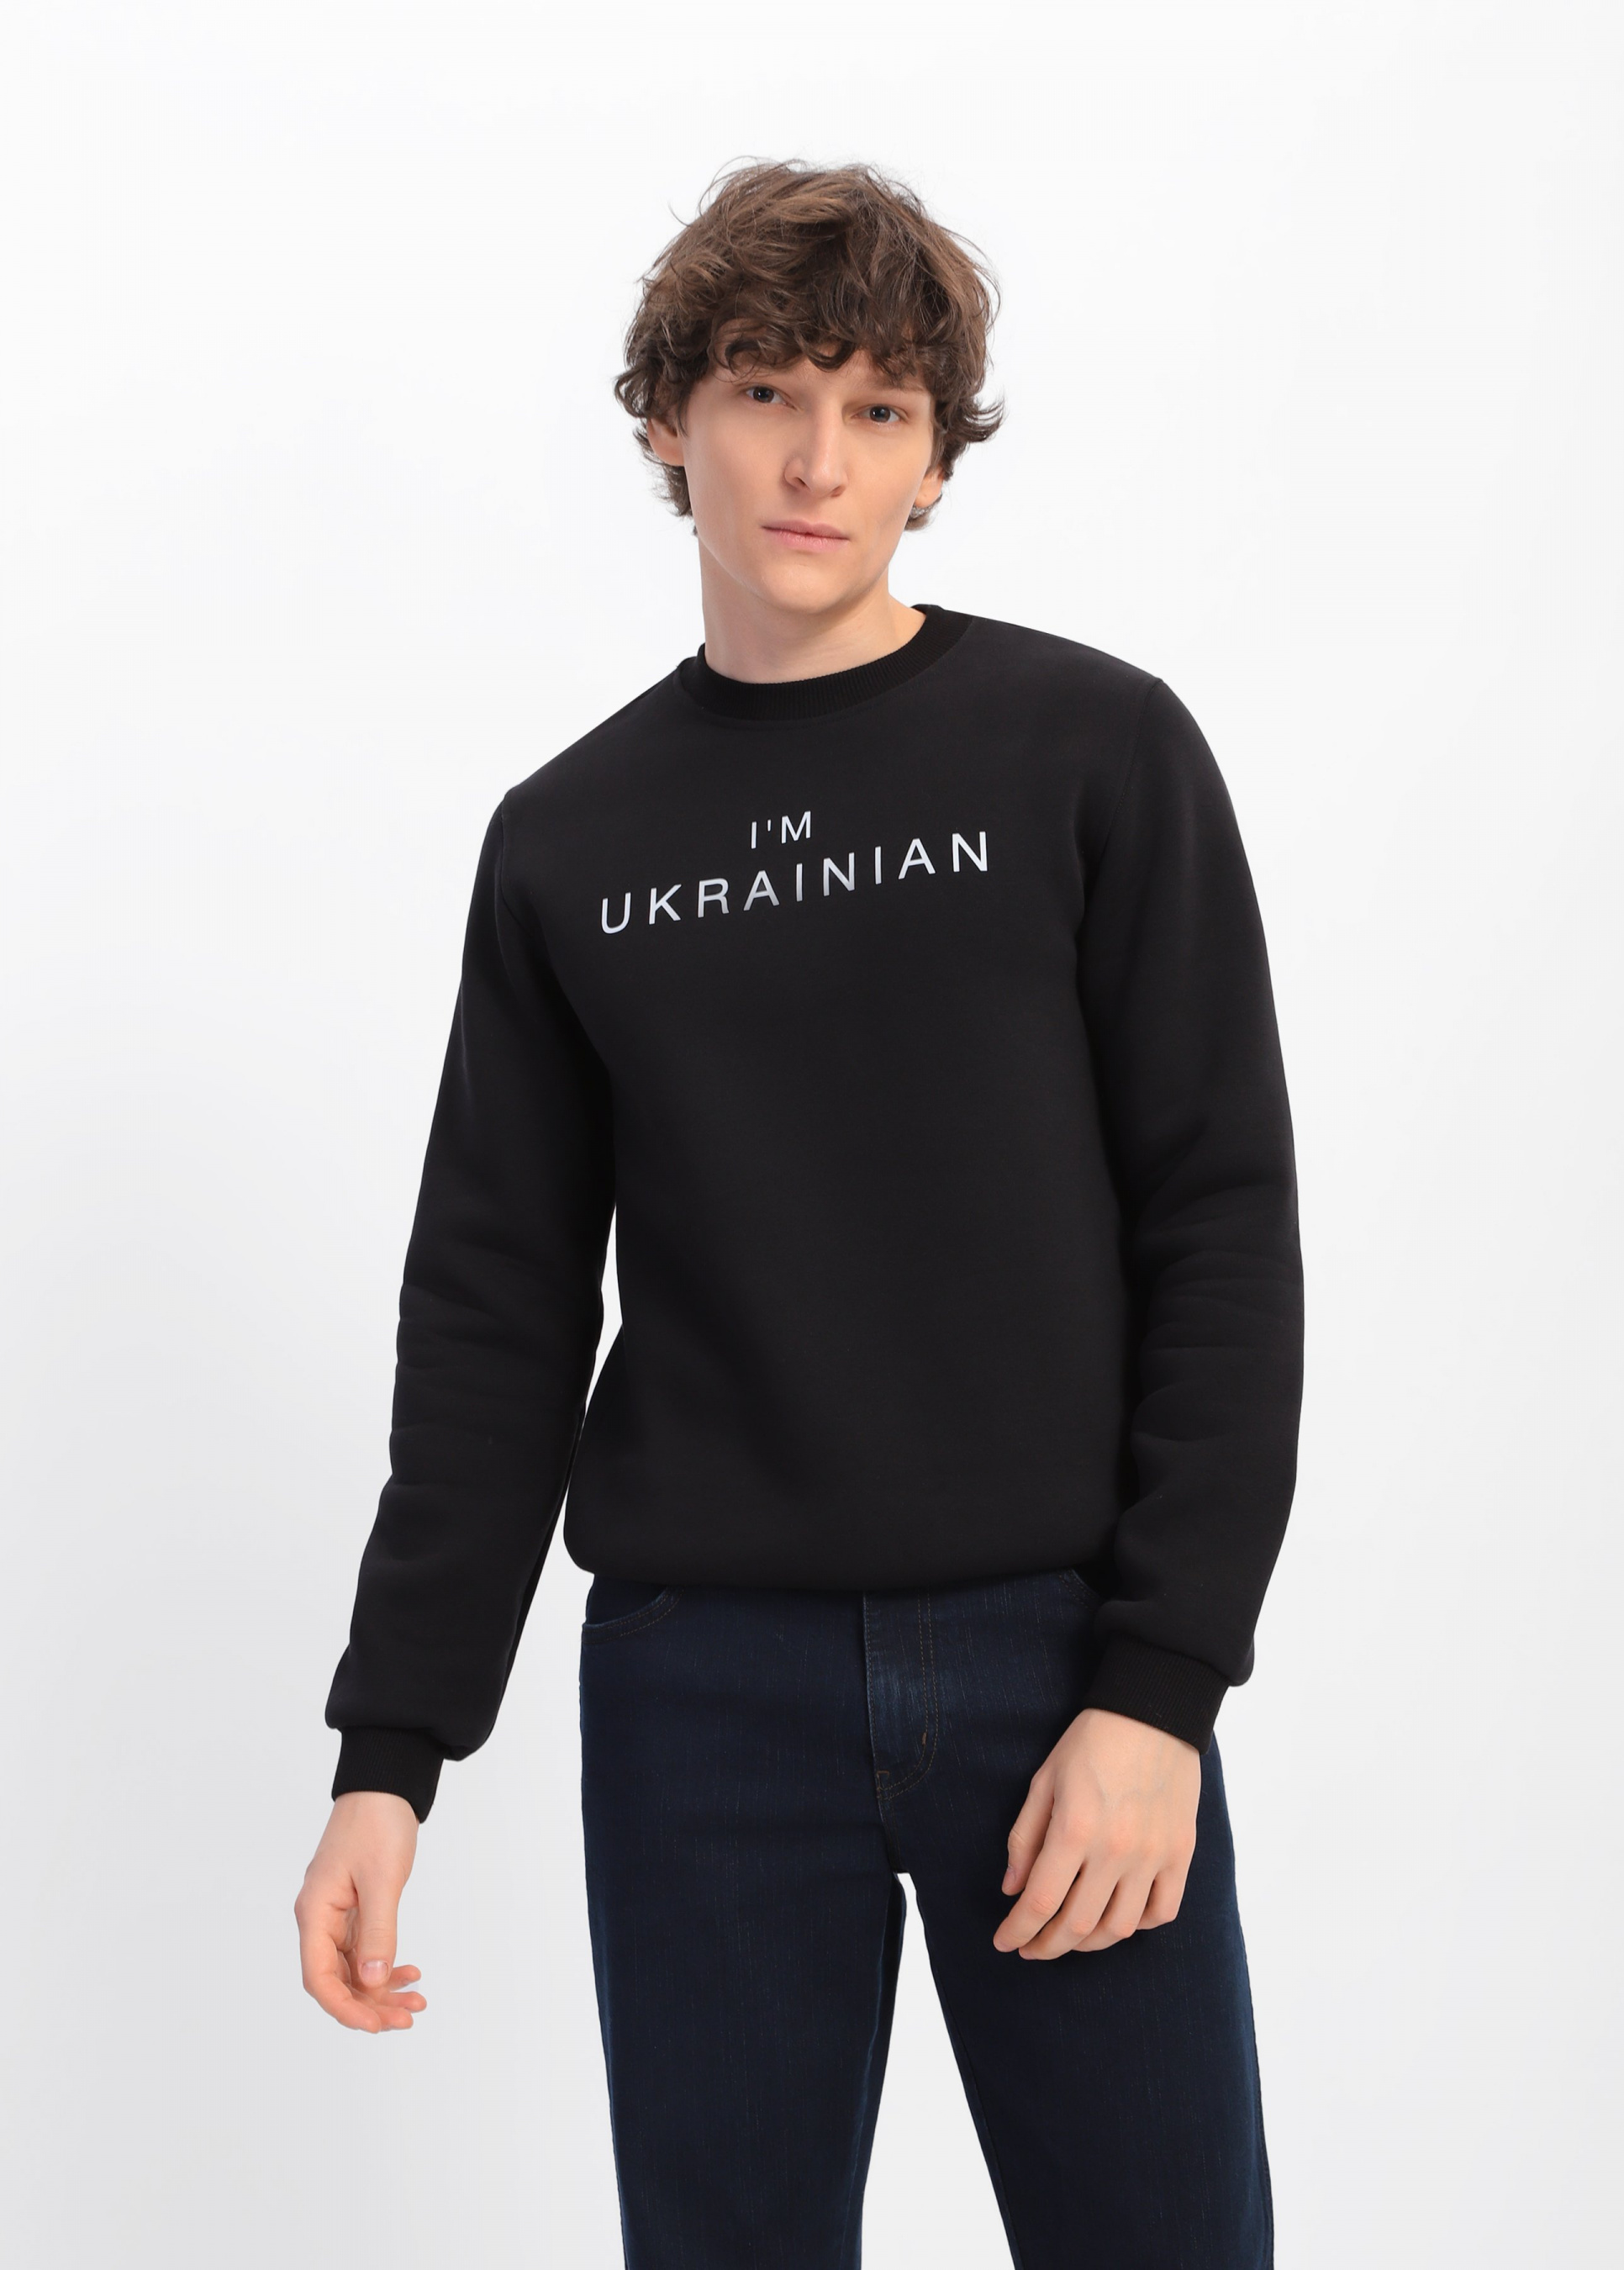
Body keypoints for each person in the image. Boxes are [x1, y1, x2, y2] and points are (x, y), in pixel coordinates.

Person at [294, 158, 1304, 2270]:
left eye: (875, 407)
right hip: (703, 1692)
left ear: (936, 455)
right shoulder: (569, 840)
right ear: (671, 420)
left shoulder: (1091, 754)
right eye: (764, 391)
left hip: (1058, 1667)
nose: (816, 460)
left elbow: (1217, 1227)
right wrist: (391, 1751)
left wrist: (1158, 1690)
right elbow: (492, 1310)